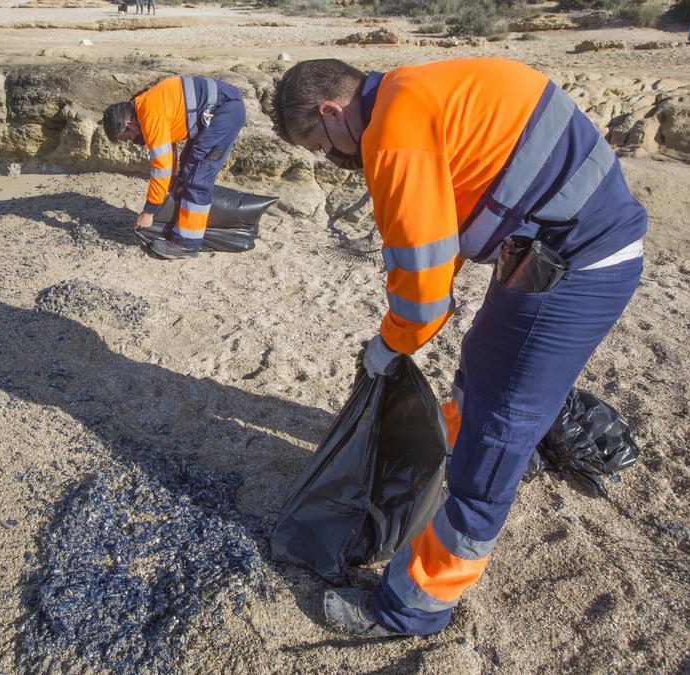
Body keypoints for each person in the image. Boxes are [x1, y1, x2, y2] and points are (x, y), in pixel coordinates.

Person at [271, 58, 646, 638]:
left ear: (331, 111)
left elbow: (423, 298)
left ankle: (411, 608)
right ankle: (491, 431)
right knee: (480, 370)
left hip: (575, 263)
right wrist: (403, 329)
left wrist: (389, 345)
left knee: (495, 438)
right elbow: (442, 238)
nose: (330, 158)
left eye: (319, 143)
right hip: (554, 247)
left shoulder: (393, 133)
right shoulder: (411, 91)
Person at [101, 76, 246, 259]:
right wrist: (172, 183)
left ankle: (186, 244)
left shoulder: (149, 113)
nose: (134, 142)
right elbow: (170, 152)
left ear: (128, 124)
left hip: (225, 111)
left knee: (197, 175)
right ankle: (180, 224)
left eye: (129, 138)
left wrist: (149, 211)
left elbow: (161, 166)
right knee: (187, 167)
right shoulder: (146, 104)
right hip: (217, 110)